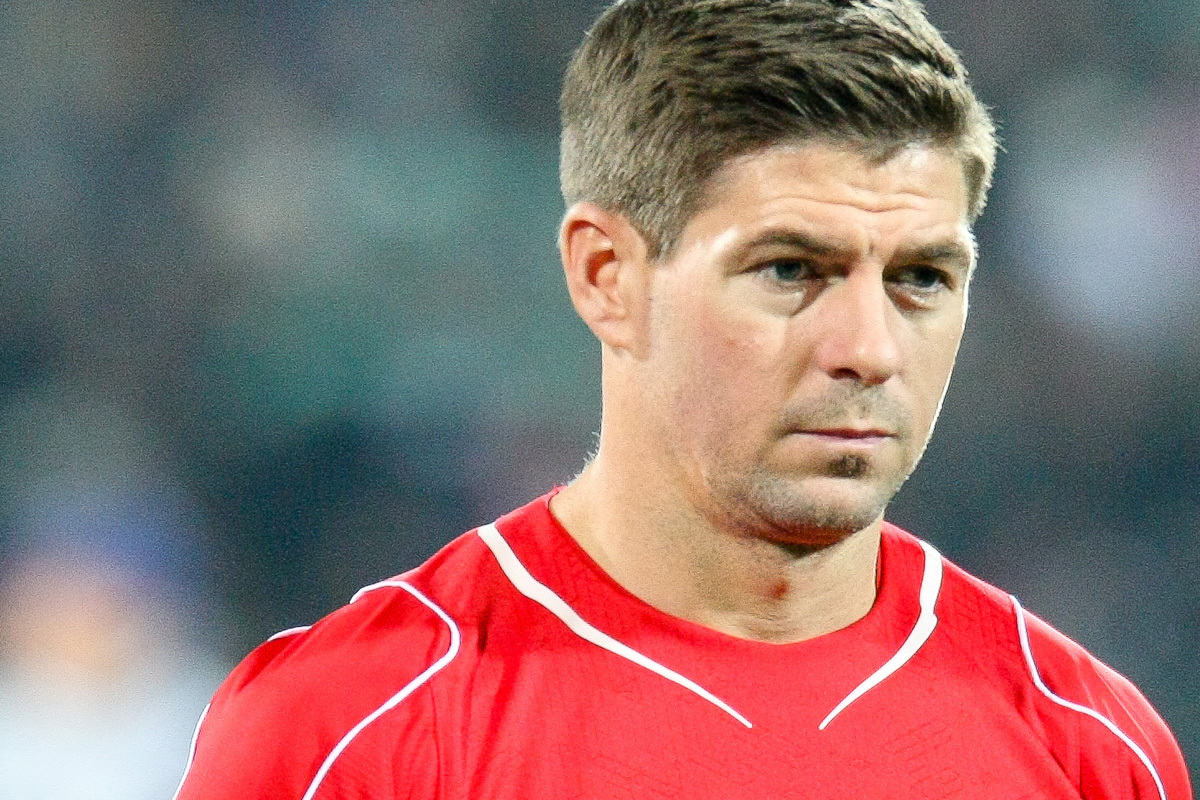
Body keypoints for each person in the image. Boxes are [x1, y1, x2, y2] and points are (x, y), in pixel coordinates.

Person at [174, 1, 1193, 797]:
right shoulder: (354, 729)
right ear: (607, 276)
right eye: (791, 269)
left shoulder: (1090, 746)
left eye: (921, 277)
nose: (870, 349)